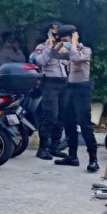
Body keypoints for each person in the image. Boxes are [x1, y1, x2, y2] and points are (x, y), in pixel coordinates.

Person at [52, 25, 99, 172]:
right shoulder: (67, 49)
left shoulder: (85, 50)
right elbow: (54, 54)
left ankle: (93, 159)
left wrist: (73, 42)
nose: (64, 42)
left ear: (73, 37)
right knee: (68, 123)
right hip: (70, 89)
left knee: (85, 125)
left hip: (82, 90)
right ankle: (72, 157)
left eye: (66, 39)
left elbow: (76, 58)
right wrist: (57, 40)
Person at [33, 24, 72, 160]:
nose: (56, 36)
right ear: (48, 33)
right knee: (51, 115)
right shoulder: (42, 47)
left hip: (63, 82)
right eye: (53, 33)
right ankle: (42, 148)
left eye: (58, 33)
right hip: (50, 83)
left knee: (61, 116)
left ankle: (54, 147)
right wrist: (49, 48)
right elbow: (40, 62)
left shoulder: (63, 47)